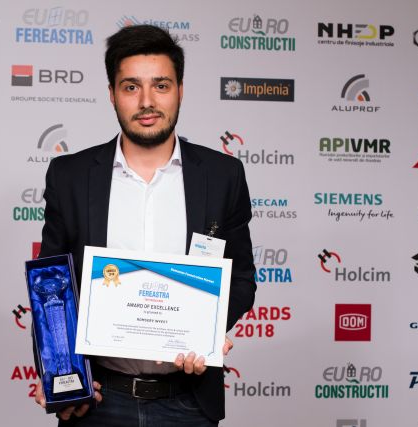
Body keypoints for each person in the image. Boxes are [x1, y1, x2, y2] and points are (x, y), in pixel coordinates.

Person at [35, 24, 256, 426]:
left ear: (180, 90)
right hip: (99, 400)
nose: (147, 101)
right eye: (131, 87)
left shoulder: (223, 175)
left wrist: (204, 331)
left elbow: (241, 278)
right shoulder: (71, 176)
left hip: (189, 402)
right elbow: (51, 284)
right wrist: (59, 376)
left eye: (161, 86)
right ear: (112, 94)